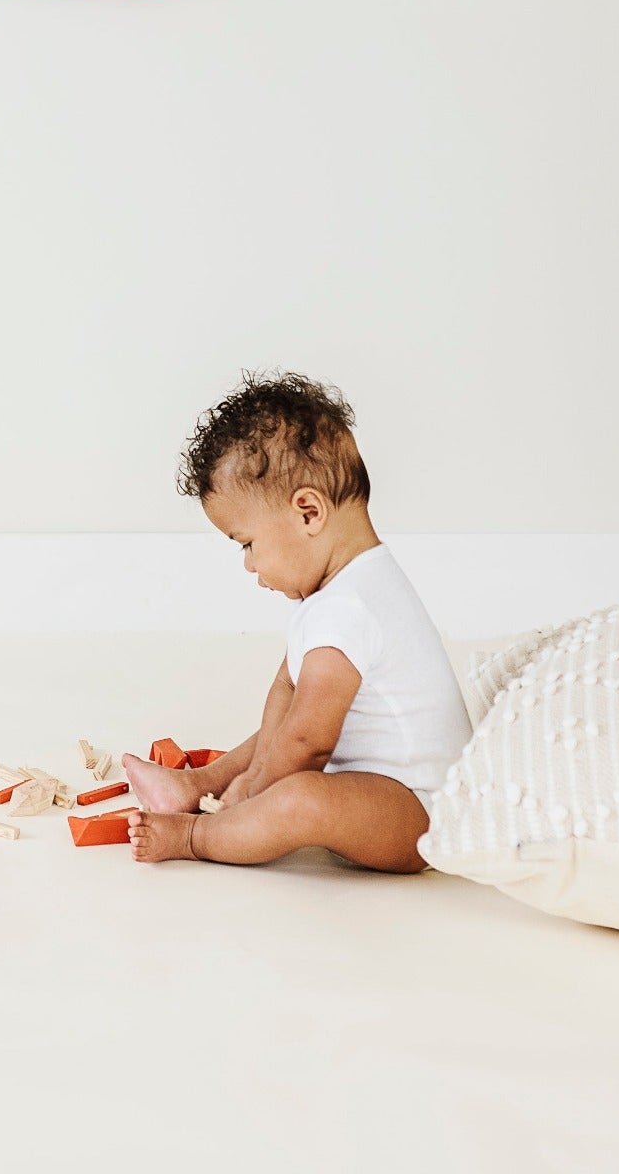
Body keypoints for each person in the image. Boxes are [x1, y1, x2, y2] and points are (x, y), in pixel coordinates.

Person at [122, 373, 471, 871]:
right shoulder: (342, 587)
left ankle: (196, 835)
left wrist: (254, 793)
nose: (249, 565)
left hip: (419, 815)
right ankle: (195, 785)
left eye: (247, 544)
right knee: (278, 736)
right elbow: (287, 687)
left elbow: (310, 743)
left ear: (308, 513)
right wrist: (252, 770)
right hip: (377, 789)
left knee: (299, 795)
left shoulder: (350, 607)